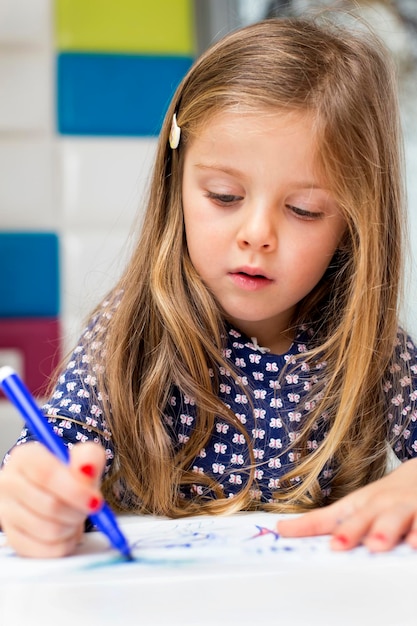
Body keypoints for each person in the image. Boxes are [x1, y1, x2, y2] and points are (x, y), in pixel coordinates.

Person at [1, 14, 417, 559]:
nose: (256, 235)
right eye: (224, 196)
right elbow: (55, 444)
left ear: (352, 226)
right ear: (177, 184)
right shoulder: (131, 326)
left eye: (303, 210)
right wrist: (35, 484)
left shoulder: (375, 349)